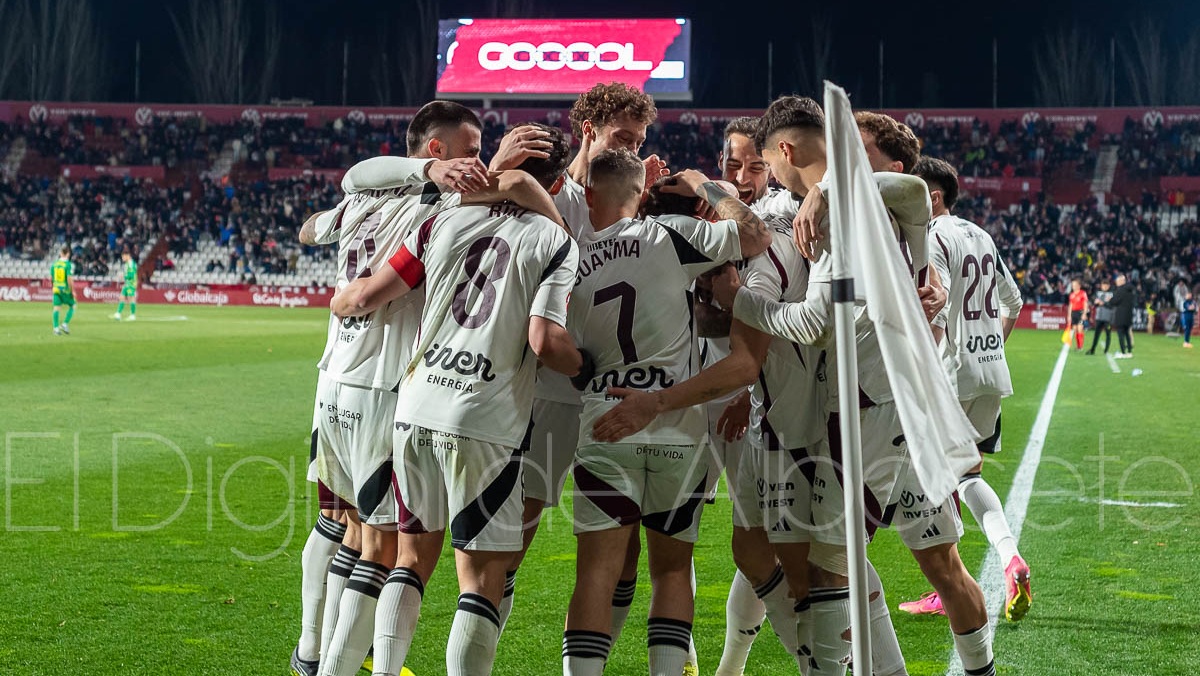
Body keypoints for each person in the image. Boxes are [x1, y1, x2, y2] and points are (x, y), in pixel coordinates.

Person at [330, 141, 583, 676]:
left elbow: (379, 288)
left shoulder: (440, 219)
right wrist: (585, 365)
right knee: (482, 577)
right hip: (485, 418)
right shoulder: (555, 240)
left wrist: (344, 299)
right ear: (558, 184)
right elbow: (545, 341)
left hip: (415, 405)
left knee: (410, 559)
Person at [562, 151, 770, 676]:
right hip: (676, 427)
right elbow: (755, 235)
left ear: (590, 195)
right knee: (673, 571)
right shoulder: (670, 235)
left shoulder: (571, 253)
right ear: (639, 194)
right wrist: (703, 185)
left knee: (596, 573)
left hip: (607, 419)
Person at [486, 82, 673, 664]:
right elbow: (492, 203)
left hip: (612, 395)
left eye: (639, 140)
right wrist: (498, 167)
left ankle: (605, 658)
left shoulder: (632, 197)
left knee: (624, 549)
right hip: (547, 394)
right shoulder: (554, 192)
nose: (634, 149)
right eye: (623, 137)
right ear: (588, 130)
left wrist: (644, 196)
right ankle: (481, 652)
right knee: (514, 537)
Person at [900, 157, 1033, 624]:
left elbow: (933, 310)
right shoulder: (981, 235)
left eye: (911, 192)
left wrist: (917, 375)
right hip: (989, 371)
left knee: (927, 480)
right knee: (967, 476)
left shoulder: (933, 236)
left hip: (950, 375)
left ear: (933, 197)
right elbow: (1013, 302)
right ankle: (1011, 558)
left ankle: (948, 587)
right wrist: (989, 348)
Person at [50, 246, 78, 335]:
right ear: (68, 254)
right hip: (65, 290)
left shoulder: (54, 264)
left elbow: (51, 278)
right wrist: (72, 290)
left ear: (60, 253)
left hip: (56, 289)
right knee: (73, 305)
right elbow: (69, 278)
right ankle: (65, 324)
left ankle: (56, 328)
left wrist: (53, 286)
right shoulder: (67, 264)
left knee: (56, 308)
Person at [1087, 278, 1115, 355]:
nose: (1104, 287)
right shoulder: (1098, 293)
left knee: (1108, 334)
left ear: (1108, 286)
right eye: (1103, 285)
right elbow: (1094, 302)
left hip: (1108, 318)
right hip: (1099, 317)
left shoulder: (1112, 294)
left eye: (1106, 286)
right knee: (1096, 334)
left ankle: (1106, 350)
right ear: (1101, 286)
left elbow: (1112, 305)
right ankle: (1092, 349)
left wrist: (1103, 303)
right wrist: (1095, 302)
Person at [1111, 274, 1136, 358]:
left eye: (1118, 281)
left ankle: (1123, 352)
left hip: (1120, 315)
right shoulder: (1131, 290)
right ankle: (1129, 352)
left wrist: (1109, 299)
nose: (1116, 282)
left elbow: (1114, 301)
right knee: (1127, 334)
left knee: (1120, 334)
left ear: (1122, 281)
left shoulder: (1120, 290)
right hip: (1129, 315)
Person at [112, 250, 138, 321]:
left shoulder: (131, 263)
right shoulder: (127, 263)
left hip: (131, 283)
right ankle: (118, 314)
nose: (122, 258)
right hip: (127, 283)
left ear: (127, 256)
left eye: (123, 257)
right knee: (122, 297)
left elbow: (131, 275)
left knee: (131, 298)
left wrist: (123, 276)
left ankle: (132, 315)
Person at [1067, 278, 1088, 352]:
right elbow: (1070, 305)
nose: (1074, 286)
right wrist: (1069, 315)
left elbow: (1085, 304)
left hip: (1080, 313)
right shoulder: (1071, 295)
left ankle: (1080, 346)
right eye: (1073, 285)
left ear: (1079, 285)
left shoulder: (1083, 293)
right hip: (1074, 313)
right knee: (1075, 330)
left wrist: (1084, 313)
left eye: (1075, 285)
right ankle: (1078, 346)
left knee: (1080, 329)